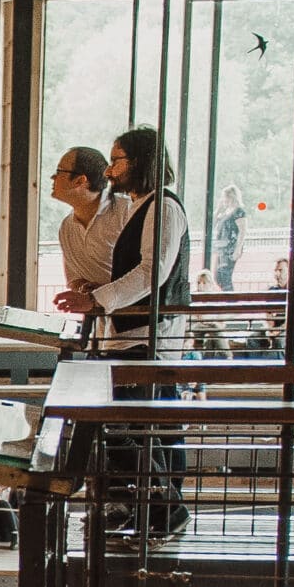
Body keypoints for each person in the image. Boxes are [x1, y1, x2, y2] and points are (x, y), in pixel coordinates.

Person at [68, 126, 191, 538]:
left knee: (135, 431)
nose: (110, 168)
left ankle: (168, 510)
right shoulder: (143, 206)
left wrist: (98, 299)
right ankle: (150, 509)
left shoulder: (164, 207)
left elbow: (150, 273)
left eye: (117, 159)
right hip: (132, 335)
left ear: (138, 162)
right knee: (128, 431)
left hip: (150, 338)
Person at [51, 144, 131, 327]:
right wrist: (83, 288)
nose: (53, 177)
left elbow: (145, 274)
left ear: (81, 180)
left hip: (139, 326)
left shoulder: (126, 212)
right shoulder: (66, 227)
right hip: (101, 329)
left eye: (59, 171)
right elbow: (74, 279)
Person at [212, 185, 245, 290]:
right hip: (221, 248)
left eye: (226, 197)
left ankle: (230, 299)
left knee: (225, 276)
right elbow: (213, 222)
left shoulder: (238, 212)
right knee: (218, 276)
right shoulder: (225, 211)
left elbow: (242, 231)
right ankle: (226, 297)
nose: (224, 199)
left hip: (230, 249)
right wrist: (218, 209)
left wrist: (238, 249)